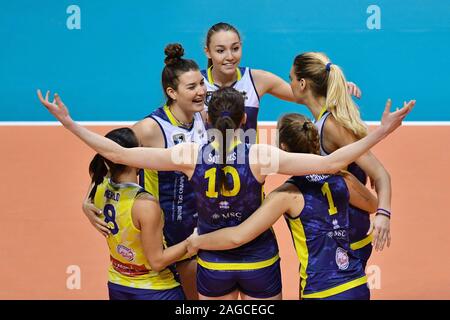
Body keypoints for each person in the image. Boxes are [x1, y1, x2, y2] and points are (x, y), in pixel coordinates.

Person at [37, 86, 413, 299]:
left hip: (214, 265)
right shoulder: (262, 155)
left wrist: (70, 124)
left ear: (206, 119)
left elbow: (118, 152)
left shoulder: (188, 154)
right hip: (259, 262)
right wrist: (382, 131)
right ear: (246, 119)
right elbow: (332, 164)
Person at [186, 113, 379, 300]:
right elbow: (372, 205)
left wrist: (197, 242)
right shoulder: (344, 178)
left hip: (320, 289)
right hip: (356, 282)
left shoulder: (286, 194)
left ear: (283, 147)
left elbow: (238, 236)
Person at [82, 43, 207, 300]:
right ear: (172, 92)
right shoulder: (150, 128)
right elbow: (111, 155)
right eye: (192, 87)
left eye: (202, 83)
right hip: (165, 231)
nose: (201, 91)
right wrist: (87, 200)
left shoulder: (202, 117)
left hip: (197, 220)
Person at [289, 52, 396, 266]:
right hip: (333, 231)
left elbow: (381, 174)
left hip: (350, 234)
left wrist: (383, 215)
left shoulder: (332, 125)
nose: (288, 83)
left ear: (302, 84)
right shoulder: (320, 120)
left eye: (290, 78)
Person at [201, 22, 362, 137]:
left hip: (246, 175)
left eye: (235, 48)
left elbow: (302, 93)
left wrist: (336, 86)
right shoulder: (197, 83)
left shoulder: (257, 79)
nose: (230, 56)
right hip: (204, 170)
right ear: (208, 52)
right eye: (220, 50)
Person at [87, 127, 187, 300]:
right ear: (130, 157)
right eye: (140, 147)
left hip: (118, 283)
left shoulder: (98, 187)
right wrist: (193, 242)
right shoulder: (145, 205)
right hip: (155, 289)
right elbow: (157, 262)